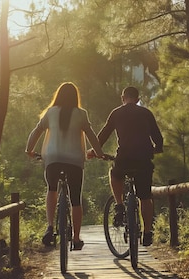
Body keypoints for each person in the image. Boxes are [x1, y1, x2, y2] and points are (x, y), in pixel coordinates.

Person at [25, 82, 104, 250]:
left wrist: (29, 150)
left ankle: (50, 226)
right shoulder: (81, 114)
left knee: (52, 189)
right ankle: (76, 238)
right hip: (75, 160)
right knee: (75, 199)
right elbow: (92, 136)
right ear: (76, 97)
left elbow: (36, 131)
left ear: (58, 95)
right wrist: (98, 153)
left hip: (52, 159)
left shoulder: (50, 112)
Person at [92, 86, 163, 246]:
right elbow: (158, 138)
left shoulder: (116, 113)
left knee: (115, 174)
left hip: (124, 157)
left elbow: (103, 134)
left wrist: (95, 151)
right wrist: (156, 149)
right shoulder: (146, 113)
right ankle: (147, 232)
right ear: (138, 100)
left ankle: (119, 205)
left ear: (122, 98)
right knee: (145, 197)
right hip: (144, 159)